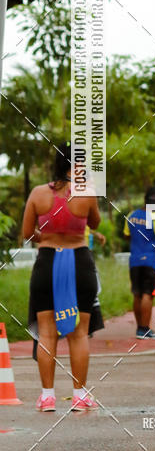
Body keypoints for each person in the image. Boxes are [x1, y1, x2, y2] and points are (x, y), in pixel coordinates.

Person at [21, 142, 102, 412]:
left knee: (47, 333)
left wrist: (45, 236)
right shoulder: (87, 193)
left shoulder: (38, 193)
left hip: (47, 261)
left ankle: (47, 397)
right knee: (79, 334)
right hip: (79, 262)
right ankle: (79, 396)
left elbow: (26, 233)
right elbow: (95, 223)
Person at [124, 186, 155, 338]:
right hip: (152, 261)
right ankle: (145, 329)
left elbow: (126, 235)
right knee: (148, 295)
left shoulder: (131, 215)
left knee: (137, 294)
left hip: (134, 261)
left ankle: (140, 328)